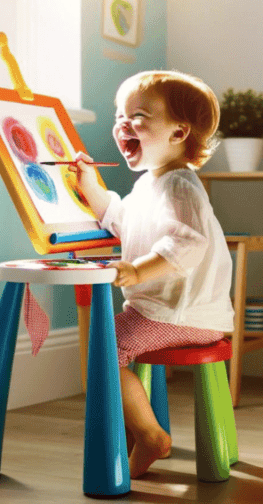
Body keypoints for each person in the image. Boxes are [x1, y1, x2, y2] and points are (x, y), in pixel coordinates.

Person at [73, 70, 234, 478]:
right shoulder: (150, 185)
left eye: (138, 116)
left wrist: (135, 270)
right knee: (104, 347)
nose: (123, 124)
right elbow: (119, 219)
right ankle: (143, 430)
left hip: (181, 314)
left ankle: (150, 435)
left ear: (179, 134)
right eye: (119, 115)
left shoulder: (180, 185)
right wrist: (91, 187)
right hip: (168, 313)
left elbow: (188, 243)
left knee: (102, 353)